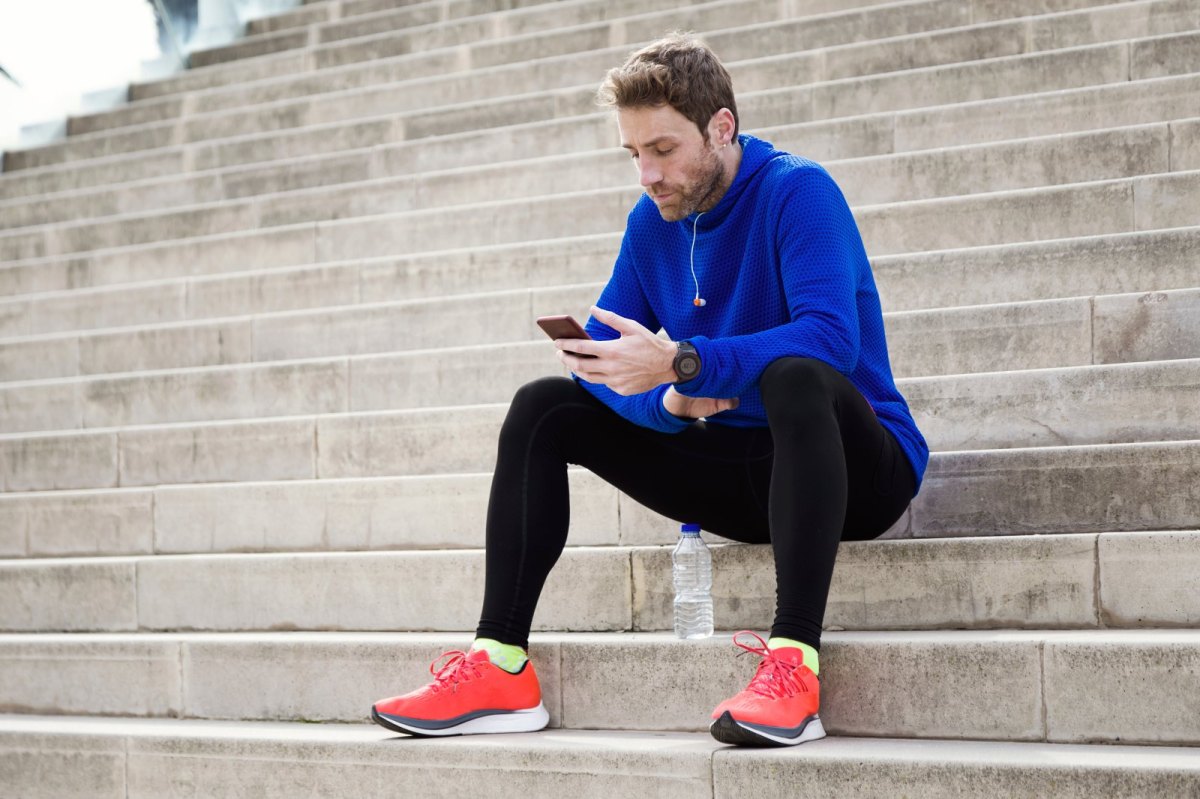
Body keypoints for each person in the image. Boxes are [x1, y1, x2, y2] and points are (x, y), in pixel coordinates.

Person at [372, 32, 928, 747]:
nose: (646, 174)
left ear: (721, 127)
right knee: (543, 407)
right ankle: (500, 662)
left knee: (796, 376)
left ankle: (794, 665)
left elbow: (829, 339)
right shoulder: (651, 224)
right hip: (745, 478)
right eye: (634, 154)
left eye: (662, 150)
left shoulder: (799, 191)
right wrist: (667, 400)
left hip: (859, 474)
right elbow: (602, 363)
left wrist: (688, 363)